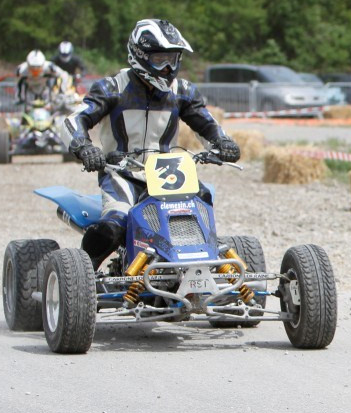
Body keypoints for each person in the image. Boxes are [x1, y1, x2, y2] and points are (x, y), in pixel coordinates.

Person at [64, 18, 240, 268]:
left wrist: (223, 141)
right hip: (121, 173)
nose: (168, 68)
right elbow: (74, 120)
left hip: (169, 174)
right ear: (139, 55)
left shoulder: (183, 92)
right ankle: (84, 275)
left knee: (201, 208)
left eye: (173, 59)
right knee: (115, 225)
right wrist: (84, 147)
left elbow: (207, 124)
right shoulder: (112, 88)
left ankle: (204, 273)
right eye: (160, 59)